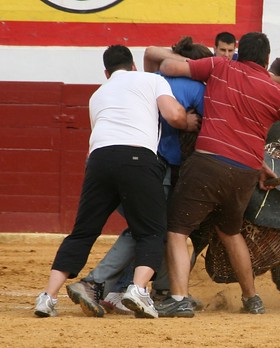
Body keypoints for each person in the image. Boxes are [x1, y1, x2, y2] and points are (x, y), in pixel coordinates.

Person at [154, 31, 280, 318]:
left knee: (177, 231)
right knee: (230, 231)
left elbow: (168, 67)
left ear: (239, 52)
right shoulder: (277, 91)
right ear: (265, 60)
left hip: (208, 164)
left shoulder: (220, 66)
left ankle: (177, 298)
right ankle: (252, 298)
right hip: (245, 173)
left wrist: (163, 56)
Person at [33, 44, 189, 319]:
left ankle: (48, 296)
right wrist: (190, 122)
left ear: (107, 72)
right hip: (139, 159)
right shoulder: (152, 79)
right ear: (133, 66)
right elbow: (174, 115)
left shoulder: (98, 94)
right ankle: (137, 290)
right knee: (151, 231)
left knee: (83, 232)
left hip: (99, 161)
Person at [66, 37, 212, 317]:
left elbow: (151, 52)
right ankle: (99, 282)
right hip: (153, 165)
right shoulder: (194, 87)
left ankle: (148, 288)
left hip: (113, 160)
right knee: (148, 229)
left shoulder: (148, 77)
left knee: (150, 228)